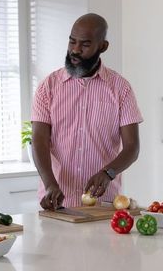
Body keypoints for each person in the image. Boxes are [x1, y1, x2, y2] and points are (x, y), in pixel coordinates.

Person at [31, 13, 143, 210]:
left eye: (85, 45)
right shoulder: (48, 87)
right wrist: (50, 184)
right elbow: (39, 141)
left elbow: (132, 147)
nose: (75, 50)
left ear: (102, 46)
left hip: (104, 204)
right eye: (72, 41)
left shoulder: (121, 89)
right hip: (56, 204)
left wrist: (108, 172)